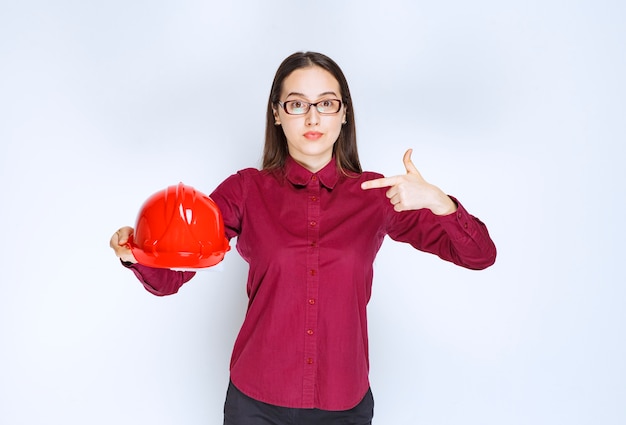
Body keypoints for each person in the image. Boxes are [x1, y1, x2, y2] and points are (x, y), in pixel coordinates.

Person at [109, 51, 496, 425]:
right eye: (297, 104)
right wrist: (136, 254)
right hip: (256, 402)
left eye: (326, 103)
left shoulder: (379, 194)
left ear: (344, 114)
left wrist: (441, 203)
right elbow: (170, 277)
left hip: (344, 403)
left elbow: (480, 255)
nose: (313, 116)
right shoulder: (245, 190)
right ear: (277, 114)